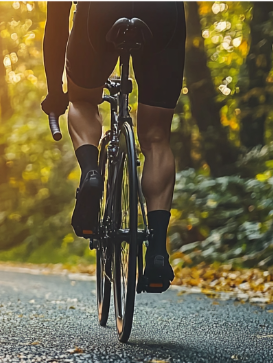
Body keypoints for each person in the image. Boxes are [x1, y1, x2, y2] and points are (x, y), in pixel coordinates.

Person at [41, 0, 185, 293]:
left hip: (99, 11)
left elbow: (56, 22)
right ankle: (157, 250)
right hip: (164, 12)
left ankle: (92, 174)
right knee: (156, 136)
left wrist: (56, 91)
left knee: (82, 100)